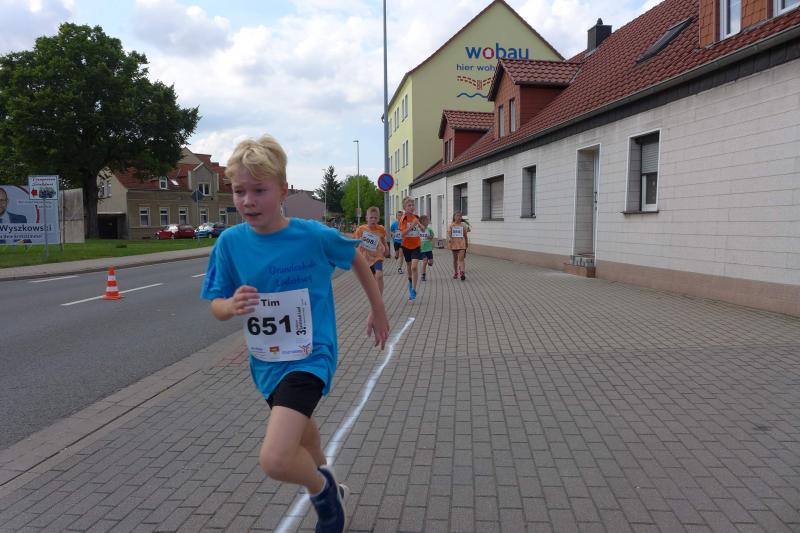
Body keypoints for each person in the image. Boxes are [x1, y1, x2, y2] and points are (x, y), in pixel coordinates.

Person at [201, 135, 389, 533]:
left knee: (276, 458)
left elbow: (355, 256)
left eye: (259, 190)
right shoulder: (230, 243)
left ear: (283, 190)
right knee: (307, 440)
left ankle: (325, 496)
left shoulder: (312, 235)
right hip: (267, 363)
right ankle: (331, 483)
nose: (248, 201)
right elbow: (215, 304)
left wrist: (377, 309)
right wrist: (230, 306)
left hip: (311, 355)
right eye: (239, 191)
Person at [353, 206, 389, 295]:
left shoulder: (381, 229)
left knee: (379, 275)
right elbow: (355, 244)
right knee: (372, 281)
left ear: (378, 219)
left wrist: (386, 249)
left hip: (377, 256)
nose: (373, 220)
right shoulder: (360, 230)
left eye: (375, 218)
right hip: (365, 258)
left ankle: (379, 298)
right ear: (367, 218)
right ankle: (376, 296)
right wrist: (359, 241)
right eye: (371, 218)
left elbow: (383, 240)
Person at [399, 197, 422, 300]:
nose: (412, 207)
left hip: (416, 245)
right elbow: (402, 233)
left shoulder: (416, 217)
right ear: (404, 207)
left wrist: (421, 226)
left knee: (414, 267)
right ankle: (410, 280)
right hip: (406, 246)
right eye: (409, 205)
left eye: (413, 205)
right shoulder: (403, 219)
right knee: (409, 266)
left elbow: (422, 228)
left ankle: (413, 289)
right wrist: (412, 225)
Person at [448, 210, 469, 281]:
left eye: (460, 216)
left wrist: (466, 242)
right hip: (454, 245)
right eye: (457, 216)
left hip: (462, 244)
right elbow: (449, 234)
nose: (459, 217)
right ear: (454, 217)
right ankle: (456, 272)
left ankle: (462, 273)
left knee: (461, 259)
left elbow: (465, 235)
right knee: (455, 260)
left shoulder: (463, 225)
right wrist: (449, 239)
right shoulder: (451, 225)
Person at [418, 215, 434, 281]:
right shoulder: (418, 230)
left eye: (428, 220)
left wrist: (430, 237)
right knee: (425, 261)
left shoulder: (429, 229)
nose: (428, 221)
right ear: (422, 222)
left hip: (429, 249)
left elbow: (432, 236)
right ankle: (423, 275)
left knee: (431, 262)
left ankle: (430, 262)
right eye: (426, 220)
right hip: (422, 249)